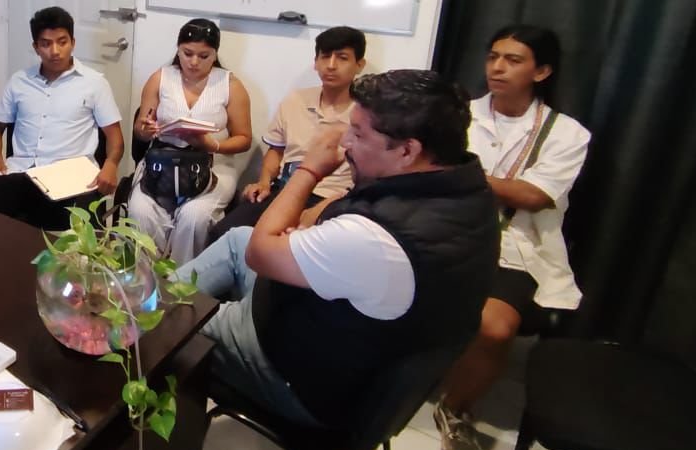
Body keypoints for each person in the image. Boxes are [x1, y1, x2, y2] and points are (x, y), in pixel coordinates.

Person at [174, 70, 498, 429]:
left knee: (169, 322)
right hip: (345, 344)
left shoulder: (377, 238)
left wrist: (308, 170)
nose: (345, 143)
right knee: (238, 238)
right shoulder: (466, 192)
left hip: (302, 379)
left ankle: (147, 333)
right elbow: (307, 220)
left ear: (408, 150)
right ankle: (157, 301)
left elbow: (261, 254)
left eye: (358, 134)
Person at [434, 24, 590, 450]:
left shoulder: (566, 133)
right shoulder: (456, 113)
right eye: (493, 56)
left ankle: (455, 408)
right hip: (441, 227)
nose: (497, 68)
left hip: (512, 242)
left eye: (513, 60)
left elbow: (534, 196)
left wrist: (458, 176)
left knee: (496, 328)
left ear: (541, 71)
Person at [0, 6, 124, 231]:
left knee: (76, 241)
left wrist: (111, 165)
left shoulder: (94, 84)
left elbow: (115, 138)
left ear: (73, 42)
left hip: (72, 179)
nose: (55, 51)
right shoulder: (19, 81)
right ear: (36, 47)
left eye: (62, 42)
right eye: (46, 44)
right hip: (20, 172)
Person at [210, 26, 367, 244]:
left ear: (359, 65)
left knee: (287, 245)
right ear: (316, 62)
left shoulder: (366, 114)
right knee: (223, 233)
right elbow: (276, 150)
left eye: (342, 58)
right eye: (325, 57)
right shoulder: (296, 100)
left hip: (332, 198)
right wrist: (264, 182)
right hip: (285, 190)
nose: (331, 65)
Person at [128, 19, 252, 263]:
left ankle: (183, 277)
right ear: (178, 49)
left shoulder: (230, 85)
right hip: (162, 162)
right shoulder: (160, 78)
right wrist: (146, 130)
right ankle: (148, 275)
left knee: (195, 216)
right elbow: (140, 129)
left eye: (204, 56)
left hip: (213, 163)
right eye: (187, 53)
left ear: (215, 54)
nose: (194, 62)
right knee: (140, 212)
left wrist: (213, 145)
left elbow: (244, 139)